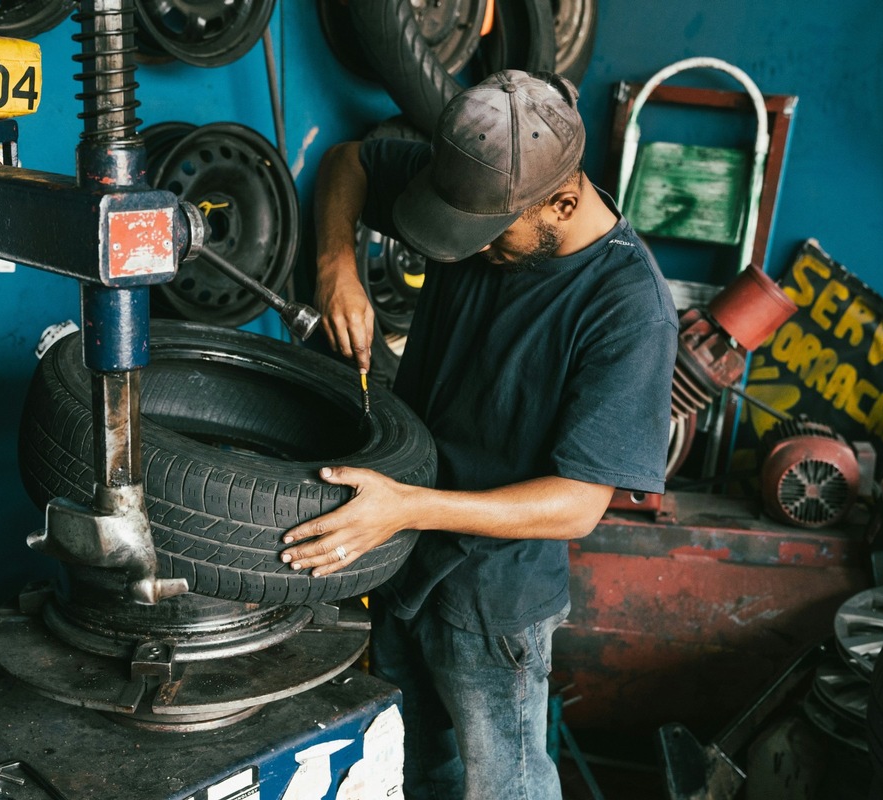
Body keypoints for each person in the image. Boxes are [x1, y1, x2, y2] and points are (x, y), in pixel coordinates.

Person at [280, 70, 678, 800]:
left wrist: (406, 506)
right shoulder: (479, 190)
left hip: (493, 604)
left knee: (505, 789)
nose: (469, 248)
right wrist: (337, 265)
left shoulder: (629, 310)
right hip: (400, 562)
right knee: (416, 772)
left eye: (491, 236)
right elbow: (350, 162)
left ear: (562, 200)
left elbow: (577, 505)